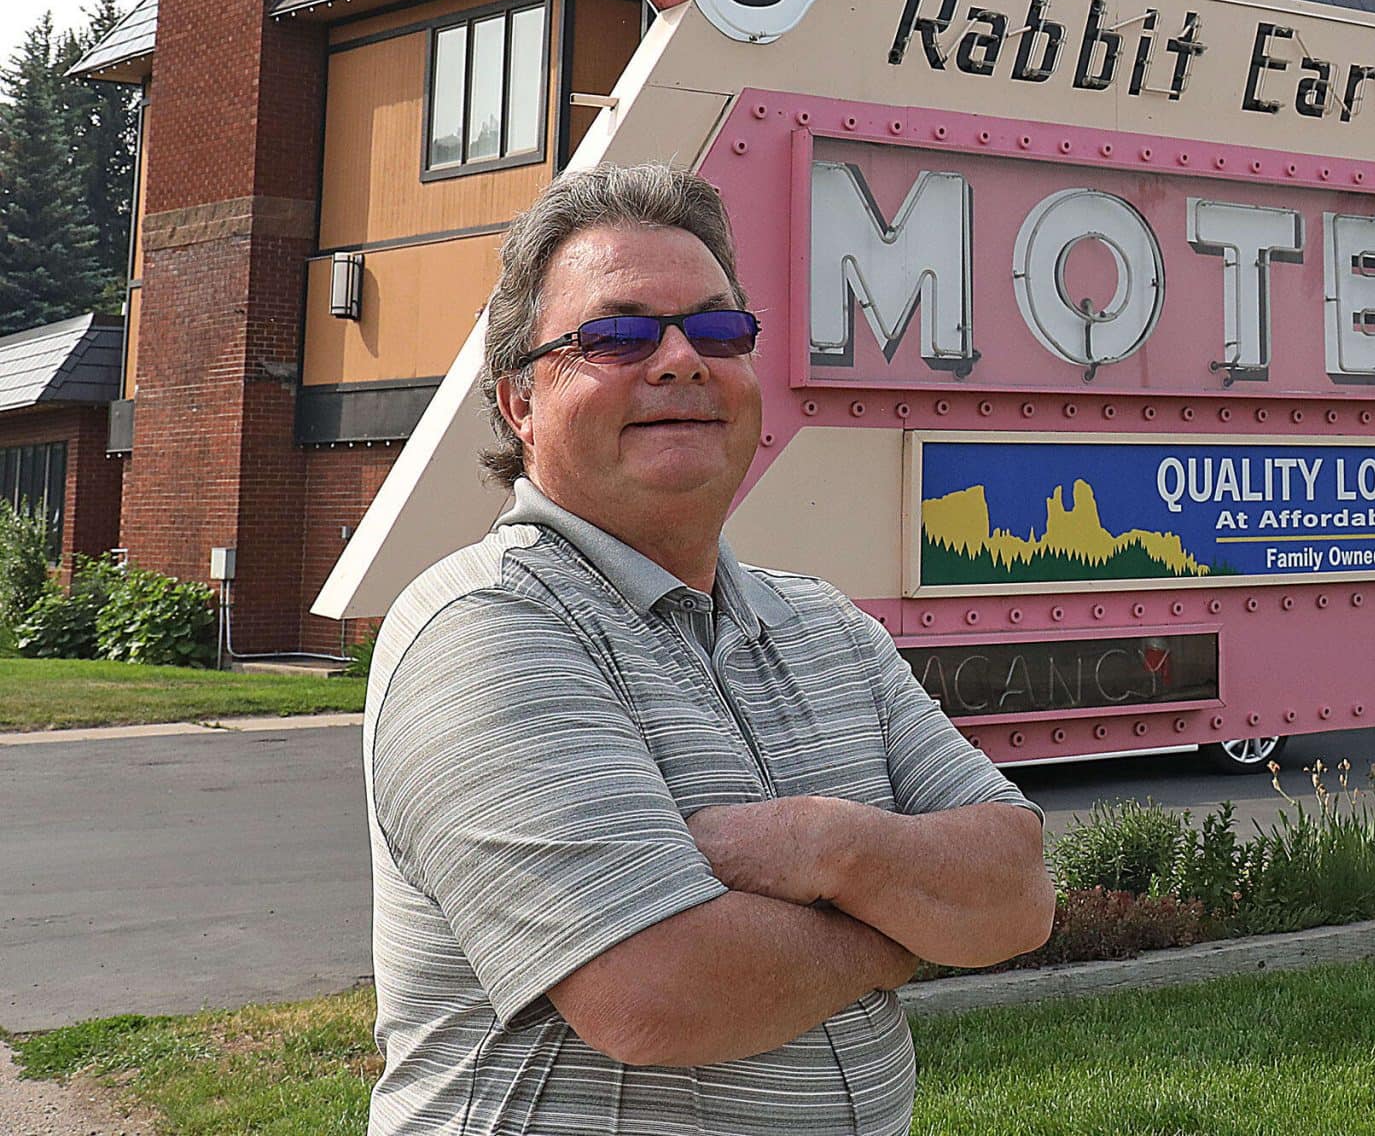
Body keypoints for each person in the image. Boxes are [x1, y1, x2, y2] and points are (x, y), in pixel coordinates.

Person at [362, 162, 1051, 1134]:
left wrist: (825, 843)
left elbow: (1017, 890)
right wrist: (908, 912)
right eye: (618, 333)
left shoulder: (826, 625)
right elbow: (660, 989)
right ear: (519, 401)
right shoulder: (484, 627)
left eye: (717, 329)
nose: (681, 358)